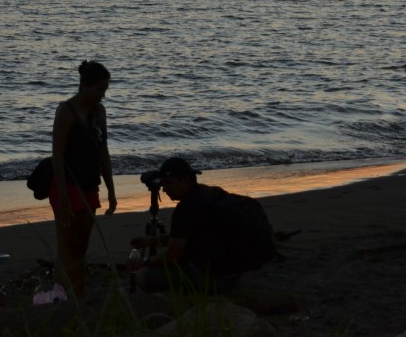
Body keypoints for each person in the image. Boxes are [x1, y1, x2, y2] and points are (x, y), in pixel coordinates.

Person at [40, 60, 117, 302]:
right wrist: (63, 198)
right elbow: (57, 157)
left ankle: (77, 293)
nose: (102, 95)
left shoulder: (99, 112)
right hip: (66, 185)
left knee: (82, 245)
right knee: (68, 245)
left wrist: (111, 191)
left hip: (90, 185)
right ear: (84, 85)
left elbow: (103, 151)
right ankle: (63, 293)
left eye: (105, 90)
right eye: (99, 90)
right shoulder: (66, 111)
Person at [127, 157, 255, 294]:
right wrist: (150, 241)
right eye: (163, 183)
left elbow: (171, 257)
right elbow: (186, 236)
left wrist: (143, 261)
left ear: (186, 180)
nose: (164, 189)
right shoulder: (211, 193)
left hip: (212, 280)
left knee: (143, 276)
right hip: (234, 274)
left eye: (168, 183)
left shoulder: (185, 210)